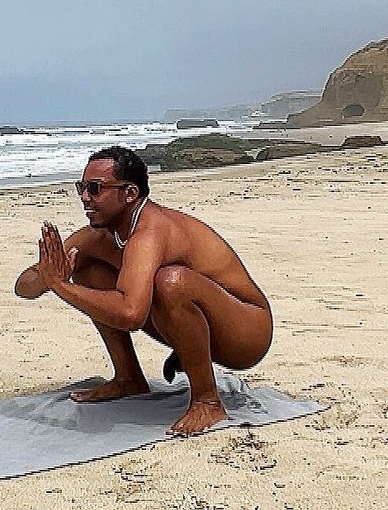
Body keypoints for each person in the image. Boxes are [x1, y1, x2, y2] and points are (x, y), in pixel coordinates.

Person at [14, 145, 273, 436]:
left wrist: (60, 286)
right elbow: (24, 287)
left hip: (247, 331)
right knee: (89, 271)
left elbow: (130, 314)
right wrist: (47, 276)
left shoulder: (151, 231)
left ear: (130, 194)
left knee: (170, 282)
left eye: (96, 188)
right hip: (199, 324)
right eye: (82, 187)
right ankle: (128, 378)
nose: (85, 197)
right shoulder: (99, 236)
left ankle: (207, 401)